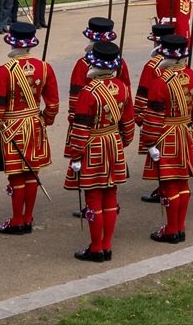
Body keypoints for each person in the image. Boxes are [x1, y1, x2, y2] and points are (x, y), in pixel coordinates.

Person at [0, 19, 59, 235]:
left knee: (16, 175)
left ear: (12, 44)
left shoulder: (4, 71)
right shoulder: (44, 68)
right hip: (35, 124)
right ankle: (28, 217)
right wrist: (45, 120)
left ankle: (17, 220)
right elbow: (53, 104)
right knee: (32, 173)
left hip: (12, 127)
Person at [136, 29, 193, 243]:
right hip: (186, 133)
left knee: (168, 186)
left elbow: (154, 116)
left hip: (165, 136)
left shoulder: (159, 81)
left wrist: (148, 141)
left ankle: (171, 230)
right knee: (183, 183)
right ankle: (180, 227)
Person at [65, 37, 130, 261]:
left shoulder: (88, 92)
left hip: (93, 146)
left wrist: (75, 155)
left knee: (93, 198)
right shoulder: (122, 87)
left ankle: (96, 248)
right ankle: (107, 245)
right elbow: (128, 125)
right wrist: (123, 142)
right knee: (111, 195)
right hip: (114, 143)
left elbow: (81, 128)